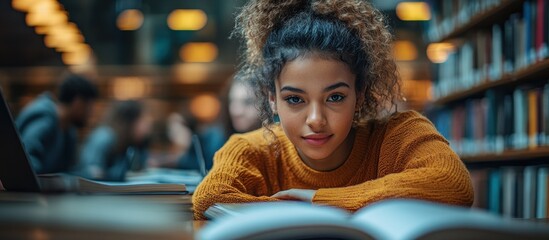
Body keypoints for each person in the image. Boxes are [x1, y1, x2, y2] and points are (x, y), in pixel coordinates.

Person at [192, 0, 474, 220]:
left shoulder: (399, 134)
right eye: (295, 99)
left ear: (360, 94)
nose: (316, 120)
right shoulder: (250, 150)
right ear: (271, 98)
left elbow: (454, 185)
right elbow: (210, 198)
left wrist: (317, 198)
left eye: (335, 97)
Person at [16, 73, 98, 174]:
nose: (90, 113)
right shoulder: (44, 120)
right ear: (78, 102)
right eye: (89, 107)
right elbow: (26, 161)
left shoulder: (68, 131)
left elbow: (67, 171)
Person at [78, 100, 153, 181]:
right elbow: (91, 173)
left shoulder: (129, 144)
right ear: (130, 122)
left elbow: (139, 169)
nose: (148, 127)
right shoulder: (104, 137)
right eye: (143, 121)